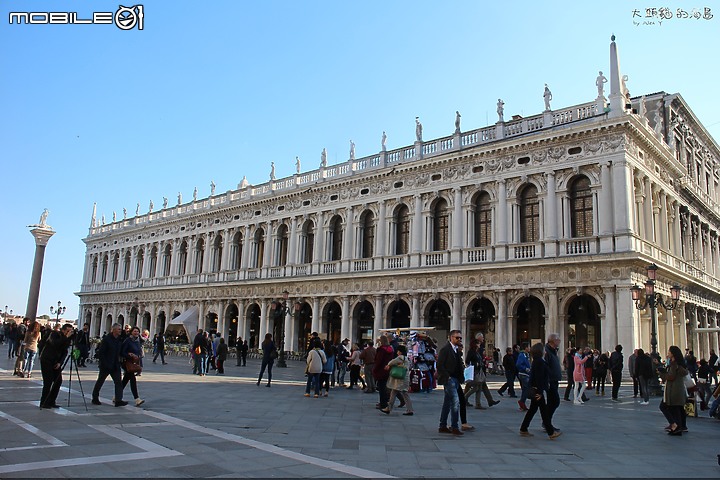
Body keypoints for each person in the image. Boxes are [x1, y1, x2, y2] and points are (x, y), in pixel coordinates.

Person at [519, 343, 561, 439]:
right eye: (543, 350)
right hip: (537, 390)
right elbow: (539, 378)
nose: (545, 351)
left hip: (536, 389)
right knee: (544, 412)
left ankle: (524, 428)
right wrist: (540, 391)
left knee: (533, 410)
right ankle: (550, 432)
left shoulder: (537, 361)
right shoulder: (540, 362)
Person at [39, 323, 74, 409]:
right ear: (63, 330)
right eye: (67, 331)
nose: (68, 333)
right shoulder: (54, 334)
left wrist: (60, 363)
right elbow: (55, 344)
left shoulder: (66, 339)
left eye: (70, 331)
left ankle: (52, 401)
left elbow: (65, 351)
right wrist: (65, 337)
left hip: (56, 361)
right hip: (47, 359)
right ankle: (44, 402)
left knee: (58, 381)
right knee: (48, 382)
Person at [436, 330, 464, 436]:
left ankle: (442, 425)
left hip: (455, 379)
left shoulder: (456, 350)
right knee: (455, 402)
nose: (459, 340)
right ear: (451, 338)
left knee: (447, 403)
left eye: (460, 338)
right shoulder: (445, 349)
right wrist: (447, 376)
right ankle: (454, 427)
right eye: (457, 338)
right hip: (449, 379)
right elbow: (439, 365)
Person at [659, 346, 688, 435]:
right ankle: (679, 426)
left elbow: (671, 376)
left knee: (666, 407)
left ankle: (675, 425)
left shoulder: (674, 364)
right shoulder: (678, 364)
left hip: (673, 390)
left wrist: (662, 374)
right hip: (678, 389)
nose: (668, 353)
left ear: (673, 353)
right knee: (677, 408)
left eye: (669, 351)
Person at [464, 337, 499, 409]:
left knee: (479, 388)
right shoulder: (471, 351)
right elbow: (467, 361)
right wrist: (475, 364)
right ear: (475, 344)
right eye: (479, 344)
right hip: (475, 371)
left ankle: (478, 404)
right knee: (476, 387)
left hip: (479, 371)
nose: (480, 345)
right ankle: (464, 398)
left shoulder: (476, 352)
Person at [381, 344, 413, 416]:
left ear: (400, 352)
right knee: (401, 393)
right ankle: (409, 409)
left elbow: (392, 361)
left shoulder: (400, 358)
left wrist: (388, 365)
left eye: (398, 351)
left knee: (396, 393)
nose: (397, 352)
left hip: (400, 379)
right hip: (405, 378)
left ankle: (389, 408)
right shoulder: (406, 358)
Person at [120, 326, 144, 407]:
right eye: (134, 331)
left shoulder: (137, 342)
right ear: (131, 332)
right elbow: (122, 352)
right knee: (132, 380)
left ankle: (116, 396)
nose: (136, 333)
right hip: (127, 363)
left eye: (137, 331)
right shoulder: (128, 340)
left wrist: (139, 359)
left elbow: (139, 352)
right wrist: (129, 354)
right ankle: (137, 399)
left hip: (133, 363)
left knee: (125, 381)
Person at [544, 333, 562, 426]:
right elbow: (545, 367)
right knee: (554, 401)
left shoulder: (553, 351)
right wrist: (547, 381)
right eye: (558, 339)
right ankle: (546, 422)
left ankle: (547, 422)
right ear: (553, 341)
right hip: (550, 381)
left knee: (552, 402)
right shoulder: (547, 352)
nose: (559, 341)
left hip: (554, 380)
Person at [373, 335, 394, 410]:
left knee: (381, 387)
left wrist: (375, 369)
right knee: (385, 387)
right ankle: (385, 402)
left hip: (380, 370)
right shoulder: (390, 349)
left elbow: (379, 361)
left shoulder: (381, 350)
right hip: (387, 369)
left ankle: (383, 403)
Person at [516, 343, 531, 411]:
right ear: (525, 348)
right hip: (523, 374)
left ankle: (522, 402)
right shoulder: (522, 355)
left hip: (526, 374)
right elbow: (518, 364)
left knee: (525, 389)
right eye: (528, 346)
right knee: (526, 389)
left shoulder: (526, 355)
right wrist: (525, 368)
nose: (529, 348)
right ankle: (522, 401)